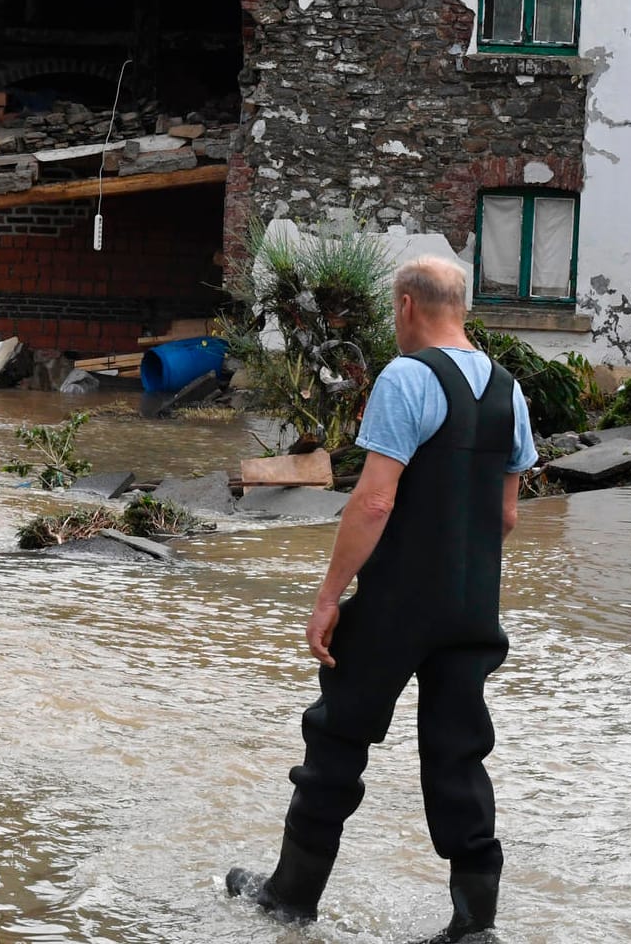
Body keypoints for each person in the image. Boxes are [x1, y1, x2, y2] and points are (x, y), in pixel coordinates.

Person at [225, 255, 539, 943]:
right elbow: (507, 516)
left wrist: (328, 597)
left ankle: (290, 897)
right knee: (459, 752)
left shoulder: (407, 376)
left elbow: (372, 502)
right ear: (461, 306)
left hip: (399, 603)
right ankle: (473, 924)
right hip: (472, 608)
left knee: (336, 736)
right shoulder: (509, 390)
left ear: (405, 306)